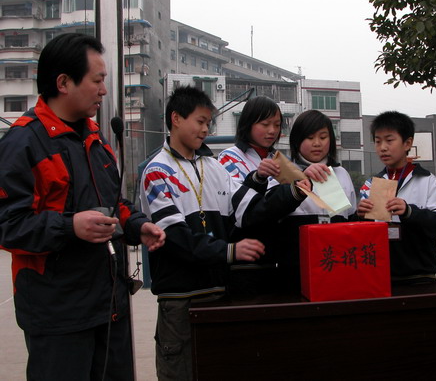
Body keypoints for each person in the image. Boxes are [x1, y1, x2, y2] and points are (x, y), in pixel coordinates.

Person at [0, 33, 166, 381]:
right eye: (97, 80)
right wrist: (70, 226)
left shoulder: (94, 137)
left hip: (109, 306)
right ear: (63, 83)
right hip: (58, 316)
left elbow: (112, 204)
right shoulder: (24, 142)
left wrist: (137, 226)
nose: (104, 90)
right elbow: (8, 225)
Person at [139, 86, 310, 380]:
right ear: (176, 119)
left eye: (209, 123)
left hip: (219, 292)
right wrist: (231, 251)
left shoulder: (214, 167)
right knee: (180, 372)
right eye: (200, 121)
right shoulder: (157, 171)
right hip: (180, 297)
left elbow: (247, 210)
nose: (206, 130)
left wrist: (291, 192)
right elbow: (176, 239)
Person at [358, 111, 436, 285]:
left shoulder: (426, 180)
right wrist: (360, 217)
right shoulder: (371, 184)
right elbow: (363, 235)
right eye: (378, 141)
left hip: (420, 277)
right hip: (380, 276)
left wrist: (409, 212)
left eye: (389, 140)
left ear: (408, 143)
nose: (382, 147)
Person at [271, 109, 357, 292]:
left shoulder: (341, 174)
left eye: (323, 137)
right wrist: (302, 179)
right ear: (297, 140)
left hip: (337, 266)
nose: (317, 143)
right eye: (310, 138)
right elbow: (271, 213)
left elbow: (351, 220)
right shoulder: (282, 173)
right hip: (295, 271)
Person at [217, 96, 284, 293]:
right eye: (265, 124)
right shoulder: (229, 158)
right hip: (245, 258)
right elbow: (239, 206)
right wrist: (258, 177)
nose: (272, 130)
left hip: (276, 257)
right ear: (248, 123)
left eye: (277, 125)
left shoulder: (280, 159)